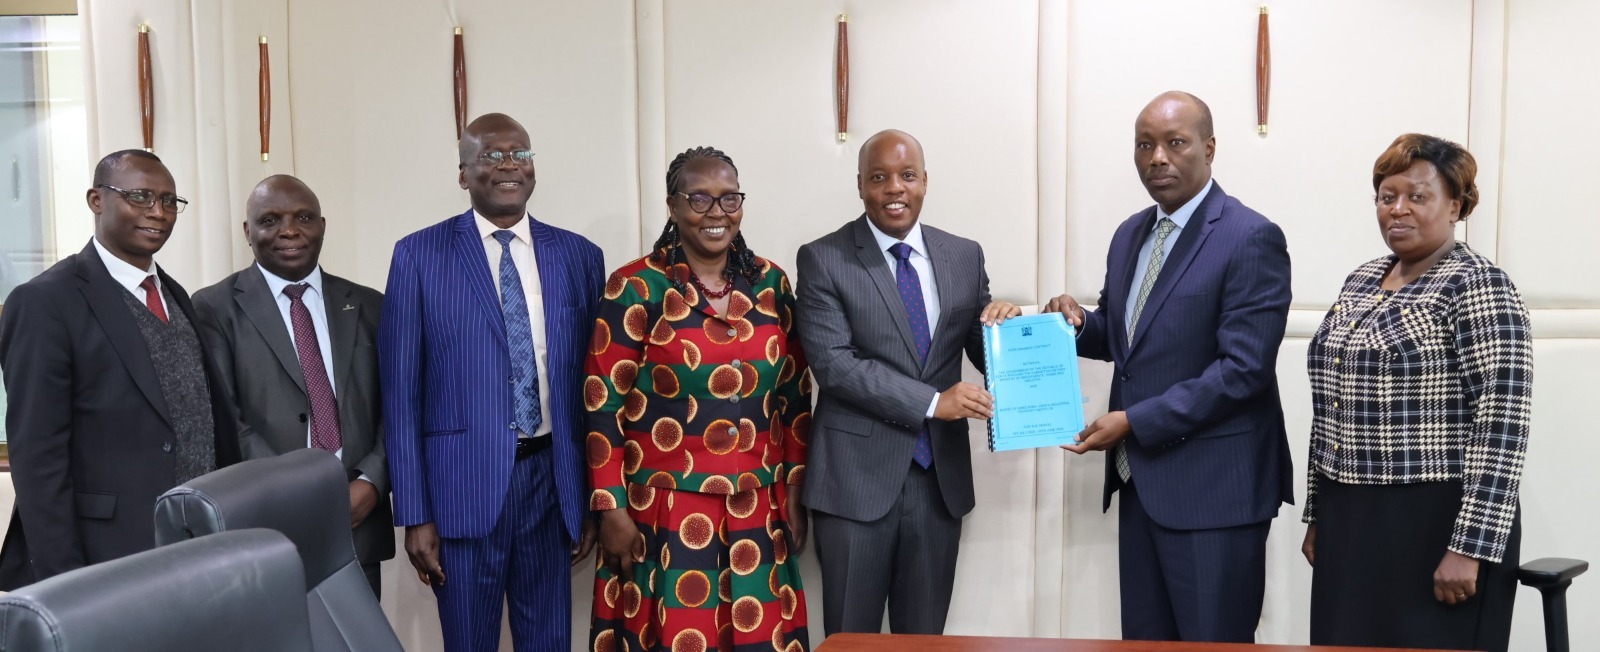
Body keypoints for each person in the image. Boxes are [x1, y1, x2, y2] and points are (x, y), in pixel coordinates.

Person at [1044, 92, 1293, 642]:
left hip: (1215, 493)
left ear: (1208, 148)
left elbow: (1243, 370)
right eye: (1144, 145)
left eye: (1174, 143)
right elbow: (1124, 336)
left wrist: (1133, 422)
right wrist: (1079, 325)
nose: (1157, 157)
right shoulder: (1131, 233)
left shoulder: (1250, 237)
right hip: (1143, 486)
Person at [379, 113, 602, 651]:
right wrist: (414, 513)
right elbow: (401, 395)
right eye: (492, 155)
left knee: (548, 640)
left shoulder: (579, 256)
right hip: (460, 494)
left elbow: (595, 389)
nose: (508, 165)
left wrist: (594, 497)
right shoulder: (418, 255)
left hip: (553, 484)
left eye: (519, 154)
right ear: (463, 174)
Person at [1300, 134, 1530, 652]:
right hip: (1351, 518)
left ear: (1456, 205)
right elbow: (1330, 407)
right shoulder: (1360, 281)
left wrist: (1469, 548)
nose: (1398, 209)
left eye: (1417, 196)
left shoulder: (1478, 285)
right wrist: (1319, 515)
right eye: (1387, 196)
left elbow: (1503, 424)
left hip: (1436, 521)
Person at [588, 146, 812, 652]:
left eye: (729, 199)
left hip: (758, 505)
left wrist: (795, 493)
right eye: (700, 200)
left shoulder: (772, 283)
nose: (717, 213)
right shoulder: (635, 286)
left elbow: (795, 399)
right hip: (662, 510)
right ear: (672, 207)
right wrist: (610, 508)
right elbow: (602, 405)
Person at [796, 129, 1018, 635]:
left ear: (925, 182)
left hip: (938, 483)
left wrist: (1010, 329)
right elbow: (834, 365)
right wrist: (933, 401)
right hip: (854, 484)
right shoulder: (824, 258)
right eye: (879, 178)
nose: (894, 188)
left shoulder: (964, 255)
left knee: (924, 641)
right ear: (859, 186)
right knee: (852, 639)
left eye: (907, 176)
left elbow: (982, 353)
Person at [0, 150, 241, 589]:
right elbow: (38, 461)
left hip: (196, 546)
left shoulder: (174, 294)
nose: (158, 212)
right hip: (105, 558)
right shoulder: (45, 302)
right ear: (96, 200)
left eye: (170, 201)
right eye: (140, 196)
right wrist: (67, 586)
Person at [192, 174, 393, 597]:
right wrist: (291, 492)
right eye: (270, 219)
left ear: (323, 225)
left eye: (304, 217)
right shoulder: (214, 307)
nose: (289, 230)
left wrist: (373, 481)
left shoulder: (370, 303)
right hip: (266, 521)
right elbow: (226, 417)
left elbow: (397, 406)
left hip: (357, 518)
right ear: (248, 232)